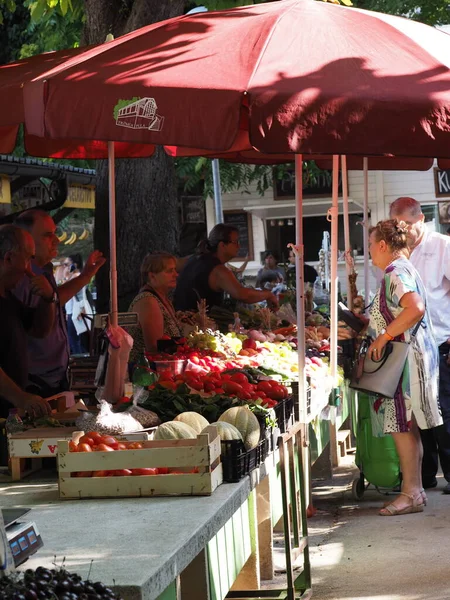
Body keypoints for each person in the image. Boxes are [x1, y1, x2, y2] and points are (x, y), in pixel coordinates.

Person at [366, 219, 441, 516]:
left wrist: (383, 337)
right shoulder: (407, 268)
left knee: (401, 426)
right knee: (407, 428)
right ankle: (415, 492)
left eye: (371, 245)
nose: (369, 251)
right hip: (412, 358)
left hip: (404, 362)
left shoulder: (395, 271)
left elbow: (415, 307)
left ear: (383, 245)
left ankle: (411, 493)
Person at [390, 197, 450, 494]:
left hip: (440, 339)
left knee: (444, 412)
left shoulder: (442, 245)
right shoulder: (396, 251)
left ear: (421, 219)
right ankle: (425, 476)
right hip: (408, 345)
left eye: (407, 225)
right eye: (396, 224)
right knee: (419, 413)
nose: (403, 230)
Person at [13, 209, 106, 397]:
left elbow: (56, 298)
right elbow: (38, 328)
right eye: (48, 235)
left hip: (53, 377)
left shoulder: (42, 271)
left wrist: (86, 275)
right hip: (33, 383)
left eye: (55, 234)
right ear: (26, 240)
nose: (57, 240)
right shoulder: (19, 278)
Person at [0, 225, 55, 418]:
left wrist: (48, 299)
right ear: (8, 258)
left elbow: (39, 330)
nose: (29, 270)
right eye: (28, 259)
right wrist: (21, 397)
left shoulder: (8, 297)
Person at [174, 224, 278, 311]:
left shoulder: (193, 258)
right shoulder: (219, 271)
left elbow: (174, 263)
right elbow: (242, 294)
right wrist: (268, 294)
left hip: (180, 318)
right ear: (222, 245)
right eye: (235, 242)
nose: (239, 246)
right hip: (194, 327)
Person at [128, 252, 182, 362]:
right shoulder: (148, 301)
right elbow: (154, 348)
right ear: (152, 276)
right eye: (169, 271)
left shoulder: (162, 298)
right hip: (145, 372)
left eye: (175, 270)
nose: (176, 274)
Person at [64, 254, 93, 355]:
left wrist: (80, 311)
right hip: (73, 312)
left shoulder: (76, 277)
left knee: (75, 341)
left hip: (76, 313)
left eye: (67, 264)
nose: (65, 267)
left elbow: (79, 296)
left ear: (74, 265)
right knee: (75, 340)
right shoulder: (75, 277)